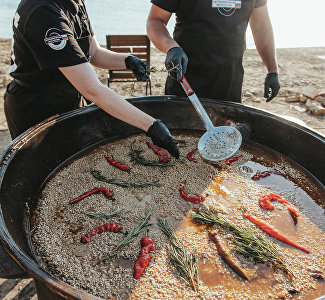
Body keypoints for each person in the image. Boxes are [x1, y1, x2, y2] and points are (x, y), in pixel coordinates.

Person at [4, 0, 179, 158]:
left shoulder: (75, 2)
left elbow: (93, 52)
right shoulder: (43, 11)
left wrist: (127, 61)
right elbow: (92, 90)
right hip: (36, 108)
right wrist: (151, 126)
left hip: (68, 101)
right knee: (42, 169)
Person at [146, 0, 280, 103]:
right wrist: (171, 47)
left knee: (224, 136)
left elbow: (261, 26)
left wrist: (272, 70)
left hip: (230, 81)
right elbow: (155, 20)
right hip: (186, 79)